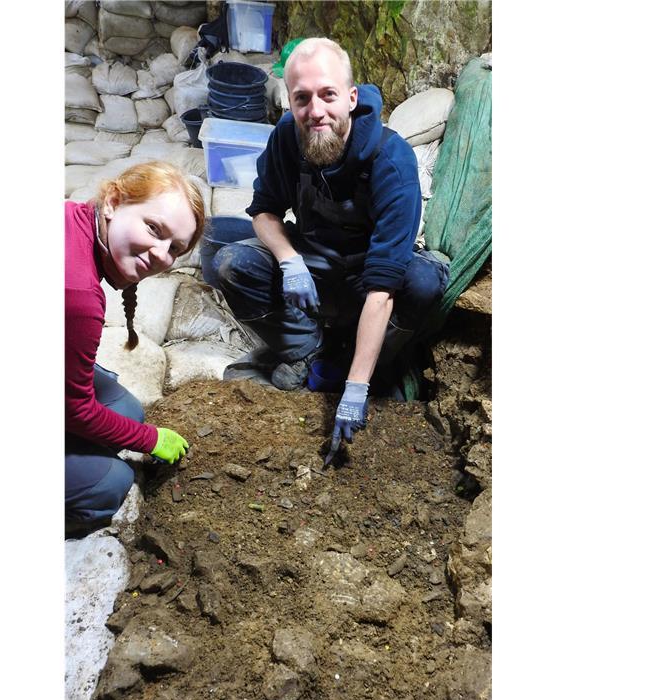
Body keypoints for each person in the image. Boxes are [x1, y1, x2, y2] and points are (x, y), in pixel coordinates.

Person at [205, 37, 449, 446]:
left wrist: (354, 391)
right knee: (230, 263)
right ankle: (308, 350)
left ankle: (358, 362)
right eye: (302, 98)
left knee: (425, 283)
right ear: (289, 101)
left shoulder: (392, 162)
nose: (315, 111)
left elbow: (382, 288)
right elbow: (264, 212)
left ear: (351, 98)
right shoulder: (287, 137)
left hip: (371, 277)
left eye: (328, 95)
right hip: (314, 263)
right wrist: (288, 261)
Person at [66, 161, 205, 531]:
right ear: (113, 201)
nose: (161, 254)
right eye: (153, 228)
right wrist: (150, 439)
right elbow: (75, 410)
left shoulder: (74, 221)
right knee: (108, 482)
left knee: (126, 410)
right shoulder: (78, 295)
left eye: (174, 247)